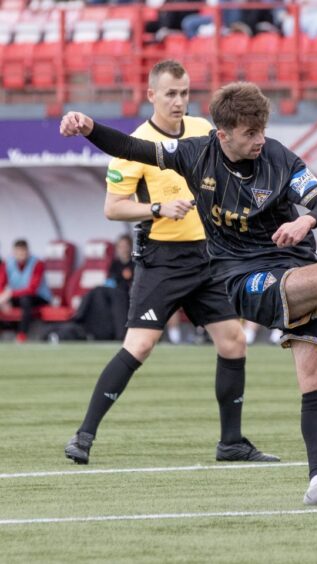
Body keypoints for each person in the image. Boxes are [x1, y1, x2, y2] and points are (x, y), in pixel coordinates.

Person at [60, 81, 317, 507]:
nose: (259, 139)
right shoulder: (195, 153)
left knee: (316, 380)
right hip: (244, 280)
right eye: (249, 133)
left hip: (294, 271)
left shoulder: (278, 157)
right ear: (223, 134)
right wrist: (89, 125)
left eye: (262, 129)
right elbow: (131, 148)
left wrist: (306, 222)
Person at [63, 61, 277, 466]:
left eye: (184, 93)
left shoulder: (203, 132)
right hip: (162, 259)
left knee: (233, 341)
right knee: (140, 345)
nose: (179, 101)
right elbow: (113, 209)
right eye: (170, 94)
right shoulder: (134, 146)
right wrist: (159, 207)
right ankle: (84, 435)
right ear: (151, 96)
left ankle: (231, 442)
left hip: (208, 256)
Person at [0, 239, 52, 343]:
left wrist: (10, 294)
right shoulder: (8, 263)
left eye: (23, 251)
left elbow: (32, 289)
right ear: (14, 252)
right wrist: (4, 299)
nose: (21, 255)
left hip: (39, 297)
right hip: (17, 296)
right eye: (18, 252)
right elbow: (1, 283)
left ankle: (22, 334)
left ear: (28, 251)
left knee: (26, 300)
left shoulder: (38, 264)